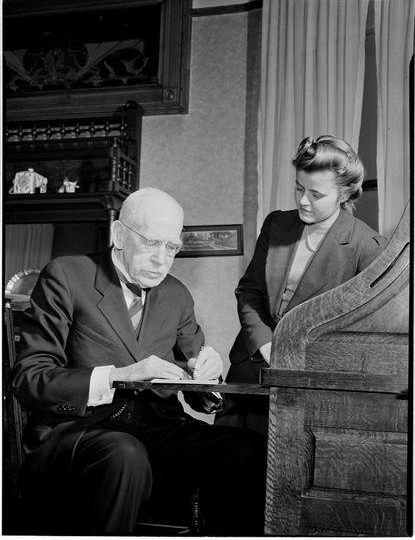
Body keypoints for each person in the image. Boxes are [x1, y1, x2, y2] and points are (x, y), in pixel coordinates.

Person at [11, 187, 266, 536]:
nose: (162, 259)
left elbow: (197, 380)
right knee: (125, 455)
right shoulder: (67, 275)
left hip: (160, 427)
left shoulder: (176, 294)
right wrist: (119, 375)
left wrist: (209, 376)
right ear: (119, 235)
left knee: (251, 452)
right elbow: (30, 378)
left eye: (171, 247)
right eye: (151, 243)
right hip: (81, 429)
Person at [216, 135, 388, 434]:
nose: (303, 201)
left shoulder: (367, 245)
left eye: (316, 194)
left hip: (309, 378)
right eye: (299, 188)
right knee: (230, 453)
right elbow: (249, 291)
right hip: (252, 365)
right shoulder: (276, 224)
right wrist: (266, 344)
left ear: (345, 194)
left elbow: (364, 328)